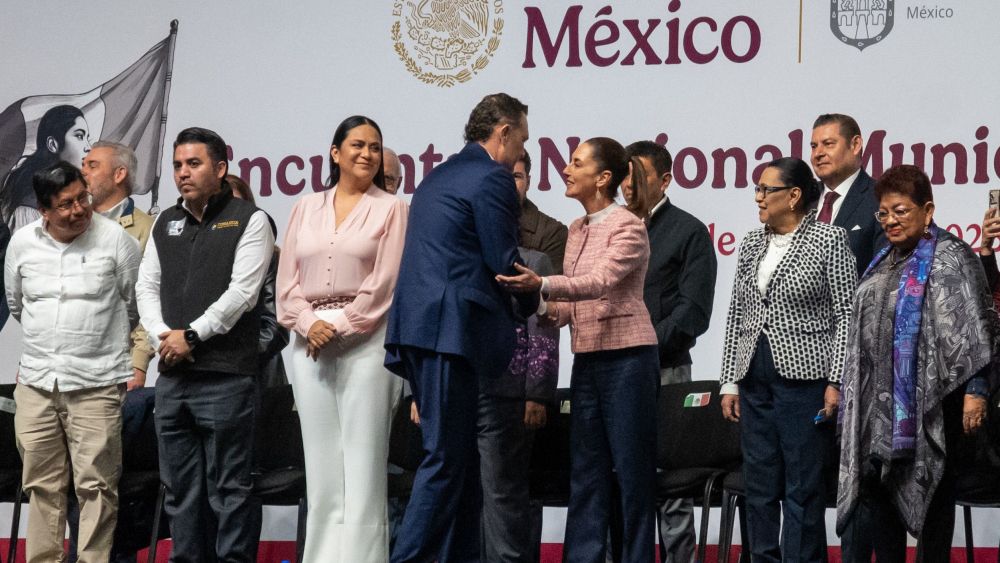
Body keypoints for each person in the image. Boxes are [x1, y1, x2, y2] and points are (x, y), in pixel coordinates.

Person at [384, 92, 536, 563]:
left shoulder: (438, 175)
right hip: (450, 332)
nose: (520, 156)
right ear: (503, 132)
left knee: (462, 463)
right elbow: (503, 263)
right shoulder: (492, 177)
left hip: (422, 329)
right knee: (446, 459)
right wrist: (536, 296)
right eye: (522, 142)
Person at [498, 137, 660, 563]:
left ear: (603, 178)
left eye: (576, 163)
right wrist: (538, 307)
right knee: (586, 472)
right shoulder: (576, 229)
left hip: (628, 359)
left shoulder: (629, 225)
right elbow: (570, 305)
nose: (566, 170)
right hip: (588, 359)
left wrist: (544, 285)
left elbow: (601, 282)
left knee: (631, 473)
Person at [837, 165, 996, 562]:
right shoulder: (881, 263)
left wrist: (976, 391)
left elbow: (979, 328)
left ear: (927, 210)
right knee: (879, 497)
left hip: (939, 406)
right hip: (880, 411)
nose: (890, 220)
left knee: (935, 504)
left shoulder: (951, 257)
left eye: (901, 211)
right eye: (883, 213)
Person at [135, 127, 273, 562]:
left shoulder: (251, 220)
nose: (182, 173)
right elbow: (146, 286)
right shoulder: (164, 222)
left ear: (220, 168)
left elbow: (243, 294)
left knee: (230, 491)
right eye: (177, 165)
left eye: (193, 164)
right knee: (179, 492)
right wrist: (164, 336)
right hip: (174, 377)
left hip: (226, 378)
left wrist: (190, 335)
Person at [276, 115, 407, 562]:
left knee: (364, 462)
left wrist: (342, 327)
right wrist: (309, 323)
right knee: (322, 462)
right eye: (357, 145)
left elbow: (386, 283)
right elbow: (287, 285)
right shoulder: (304, 207)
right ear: (335, 153)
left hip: (367, 341)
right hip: (307, 341)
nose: (367, 154)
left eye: (375, 146)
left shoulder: (393, 209)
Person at [718, 157, 856, 563]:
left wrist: (836, 380)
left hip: (806, 383)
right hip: (754, 379)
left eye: (766, 189)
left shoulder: (829, 240)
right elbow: (737, 313)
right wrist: (729, 379)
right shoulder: (750, 241)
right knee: (759, 487)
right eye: (757, 189)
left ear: (794, 196)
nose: (758, 197)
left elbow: (846, 313)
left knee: (802, 487)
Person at [4, 160, 140, 563]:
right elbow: (17, 305)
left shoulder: (117, 240)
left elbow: (135, 305)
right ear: (44, 211)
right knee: (41, 485)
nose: (80, 209)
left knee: (96, 486)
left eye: (83, 197)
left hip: (97, 382)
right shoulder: (22, 243)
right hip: (37, 381)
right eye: (66, 204)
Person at [624, 140, 717, 563]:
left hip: (665, 370)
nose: (629, 184)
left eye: (639, 176)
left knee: (671, 484)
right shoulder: (611, 227)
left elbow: (692, 313)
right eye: (624, 175)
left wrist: (644, 345)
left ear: (664, 180)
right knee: (619, 478)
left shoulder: (689, 231)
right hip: (613, 371)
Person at [478, 246, 558, 563]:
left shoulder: (533, 261)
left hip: (513, 394)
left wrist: (537, 393)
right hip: (468, 390)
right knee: (472, 494)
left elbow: (544, 331)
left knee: (504, 493)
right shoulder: (465, 258)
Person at [81, 140, 155, 388]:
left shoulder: (147, 229)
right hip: (60, 364)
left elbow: (150, 299)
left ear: (119, 174)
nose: (83, 172)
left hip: (114, 366)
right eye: (83, 165)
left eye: (92, 165)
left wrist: (138, 362)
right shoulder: (69, 223)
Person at [228, 174, 289, 387]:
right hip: (208, 378)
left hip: (258, 376)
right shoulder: (200, 256)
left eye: (238, 206)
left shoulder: (270, 256)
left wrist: (230, 360)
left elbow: (275, 327)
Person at [810, 113, 885, 276]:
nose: (818, 153)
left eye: (828, 144)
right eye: (814, 146)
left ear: (855, 145)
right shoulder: (802, 199)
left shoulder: (880, 198)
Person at [2, 105, 92, 232]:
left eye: (87, 138)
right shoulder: (30, 202)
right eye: (79, 136)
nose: (88, 147)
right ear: (52, 144)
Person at [515, 152, 567, 274]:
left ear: (528, 183)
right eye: (501, 176)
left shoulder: (553, 232)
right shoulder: (471, 220)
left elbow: (551, 289)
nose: (507, 184)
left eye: (516, 176)